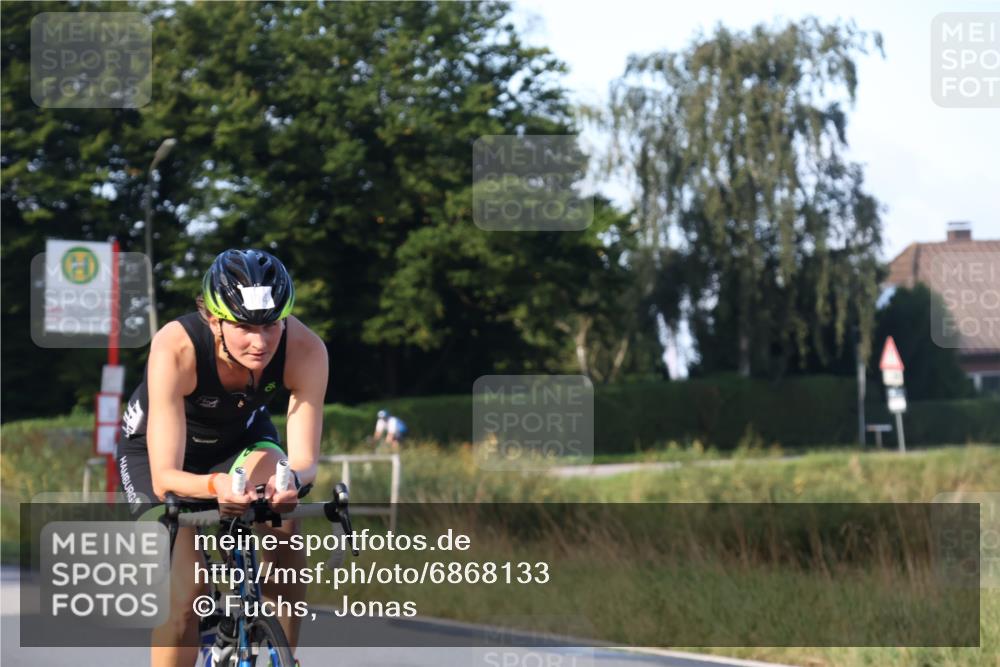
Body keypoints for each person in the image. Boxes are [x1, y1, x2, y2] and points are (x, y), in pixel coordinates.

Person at [116, 248, 328, 667]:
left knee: (285, 518)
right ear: (213, 319)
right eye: (244, 326)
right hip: (159, 453)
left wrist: (287, 487)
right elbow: (166, 477)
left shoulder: (305, 349)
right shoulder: (177, 346)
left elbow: (304, 462)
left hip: (239, 441)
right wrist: (216, 488)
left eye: (271, 325)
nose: (260, 341)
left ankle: (281, 656)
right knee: (184, 599)